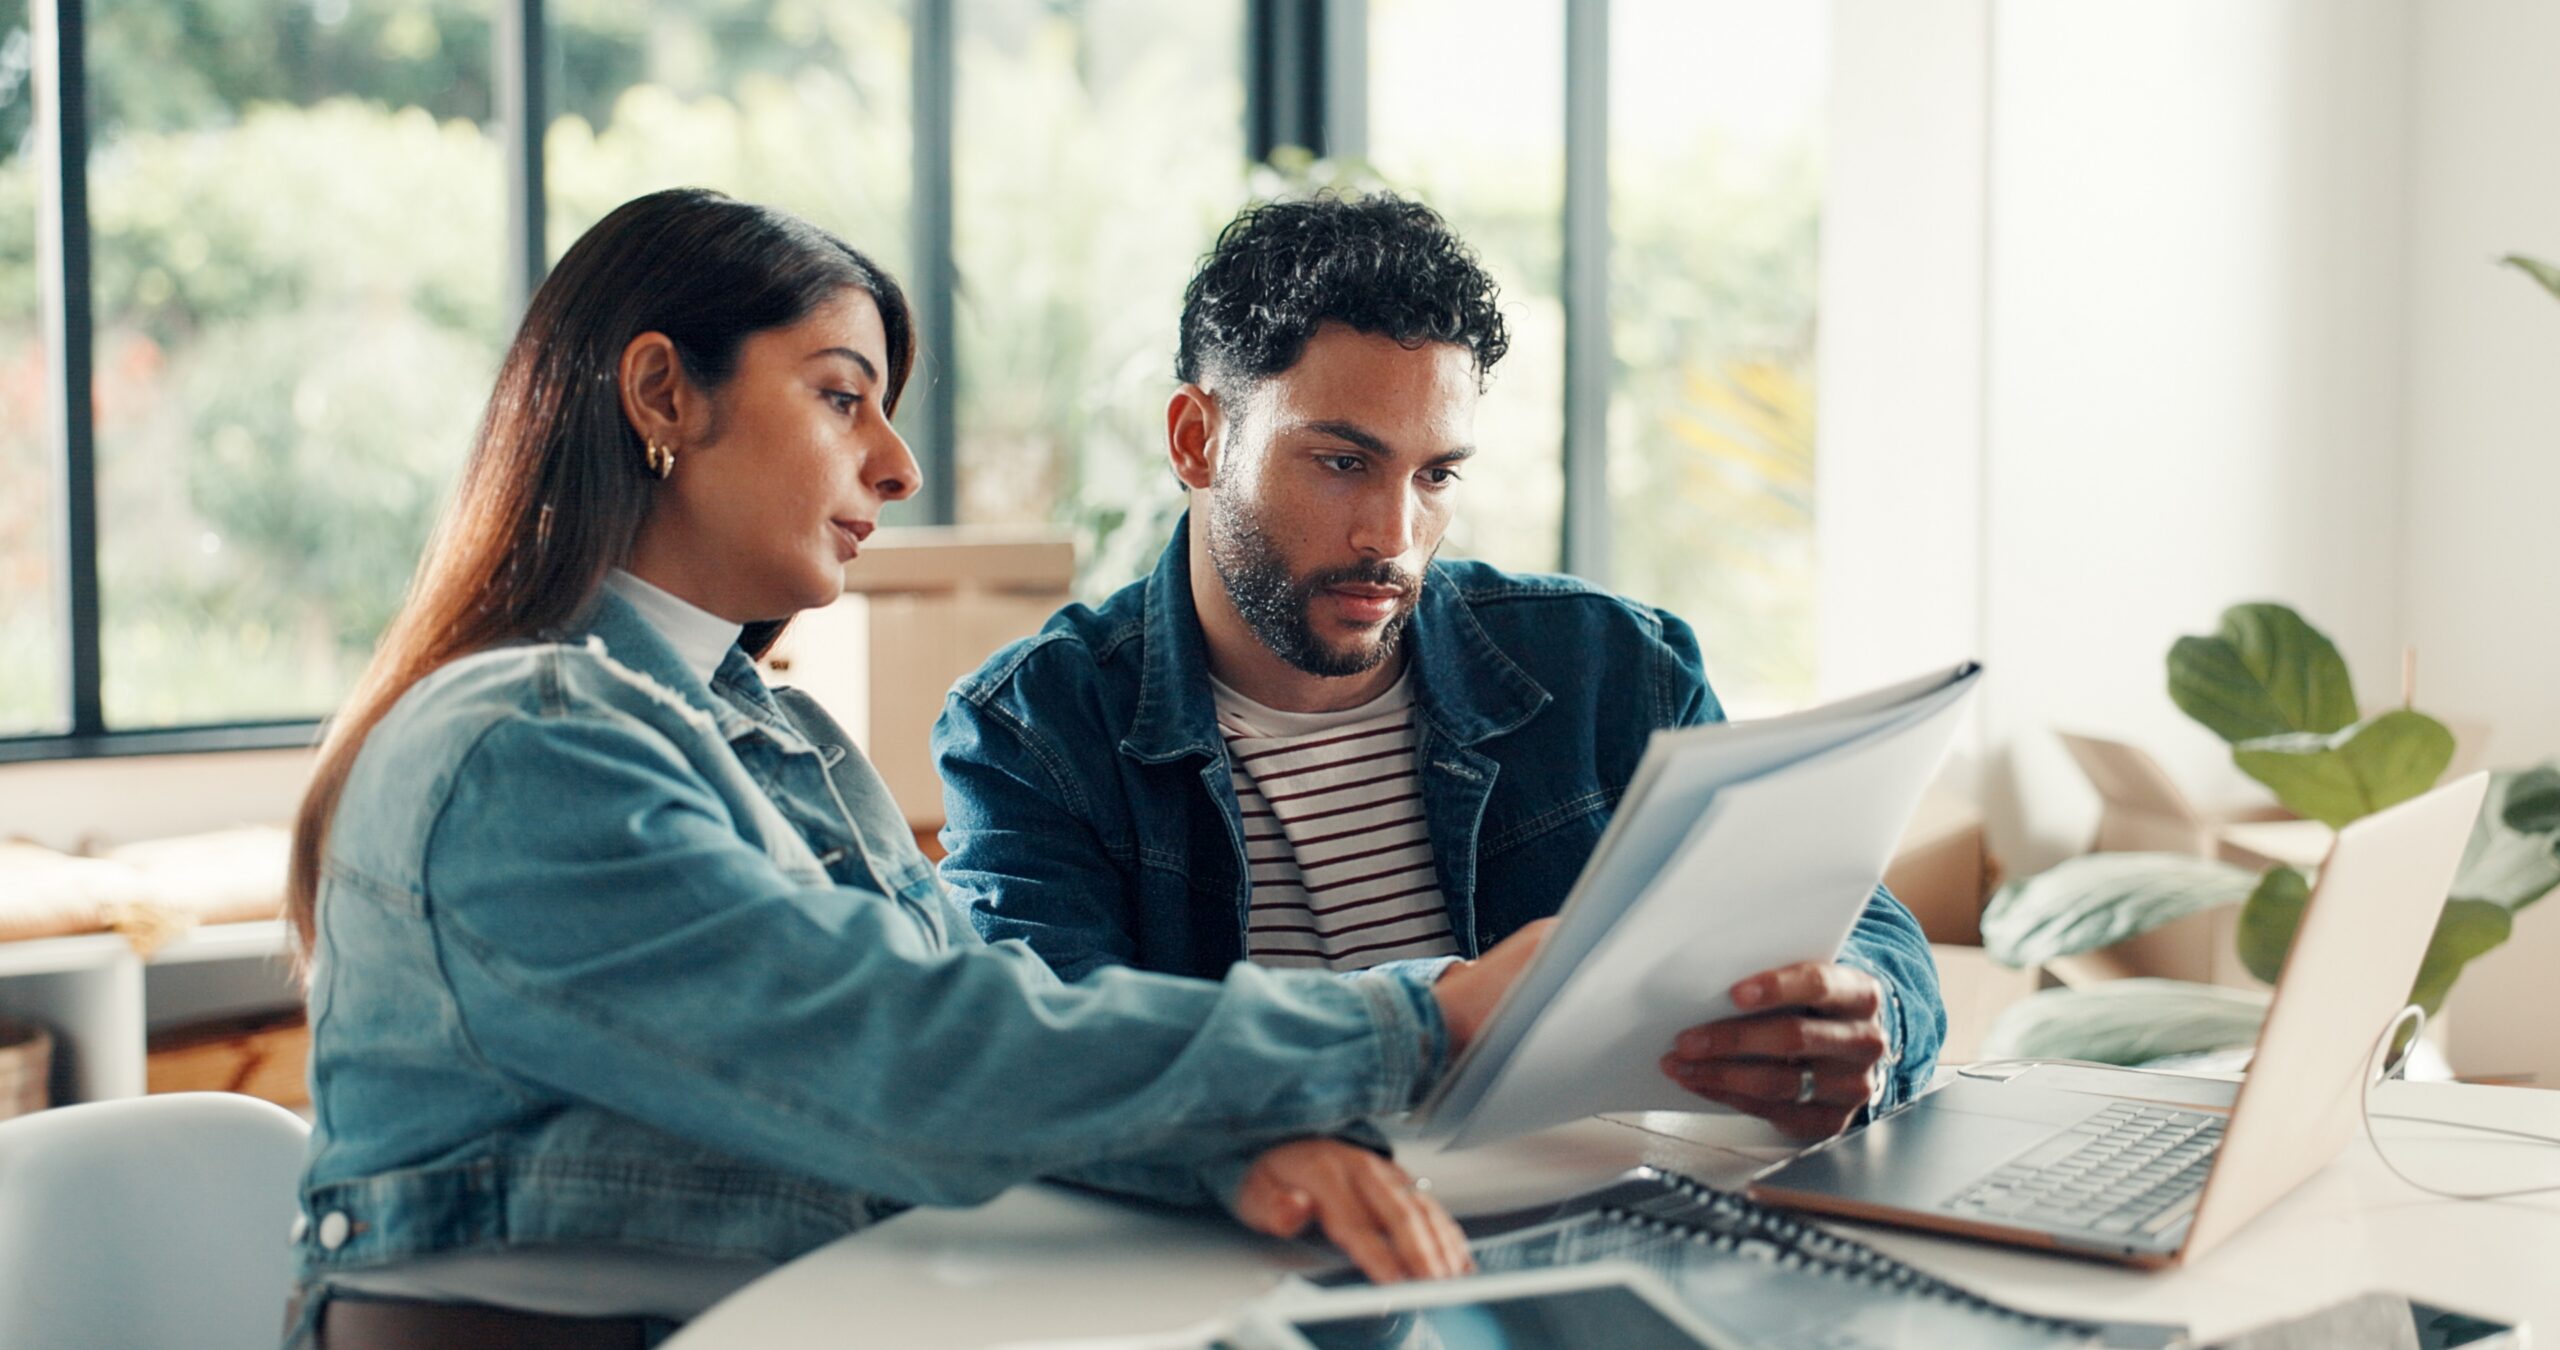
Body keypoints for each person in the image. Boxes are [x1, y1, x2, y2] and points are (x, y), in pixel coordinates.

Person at [280, 188, 1547, 1349]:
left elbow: (976, 1015)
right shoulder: (520, 746)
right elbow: (904, 1049)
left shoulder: (779, 738)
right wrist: (1421, 1024)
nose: (897, 466)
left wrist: (1211, 1157)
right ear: (662, 393)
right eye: (842, 397)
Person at [934, 191, 1945, 1142]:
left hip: (1582, 1230)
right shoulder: (1033, 728)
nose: (1393, 535)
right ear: (1197, 439)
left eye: (1437, 474)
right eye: (1341, 463)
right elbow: (1047, 1061)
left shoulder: (1613, 667)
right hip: (1241, 1250)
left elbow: (1856, 924)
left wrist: (1867, 1024)